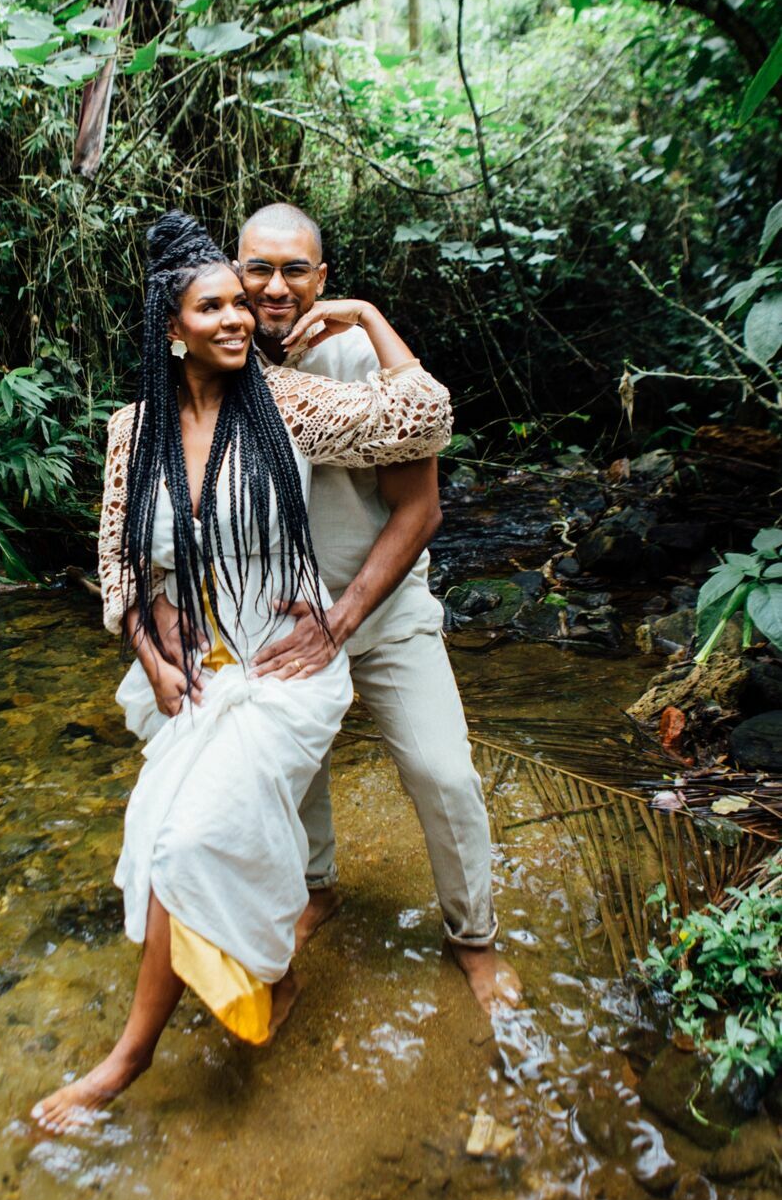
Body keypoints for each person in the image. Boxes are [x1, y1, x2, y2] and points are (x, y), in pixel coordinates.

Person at [31, 211, 453, 1133]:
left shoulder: (286, 403)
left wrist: (370, 315)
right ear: (169, 326)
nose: (237, 318)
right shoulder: (128, 432)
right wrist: (150, 647)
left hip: (281, 670)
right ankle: (277, 976)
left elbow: (423, 416)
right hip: (192, 678)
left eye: (240, 302)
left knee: (184, 845)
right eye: (212, 304)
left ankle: (126, 1059)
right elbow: (116, 567)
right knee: (167, 841)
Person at [160, 202, 518, 1010]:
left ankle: (474, 938)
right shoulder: (221, 357)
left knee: (443, 773)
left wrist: (346, 617)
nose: (274, 287)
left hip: (380, 609)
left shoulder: (358, 355)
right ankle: (315, 891)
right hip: (276, 613)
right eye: (258, 268)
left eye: (295, 270)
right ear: (233, 271)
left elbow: (421, 511)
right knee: (291, 777)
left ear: (320, 278)